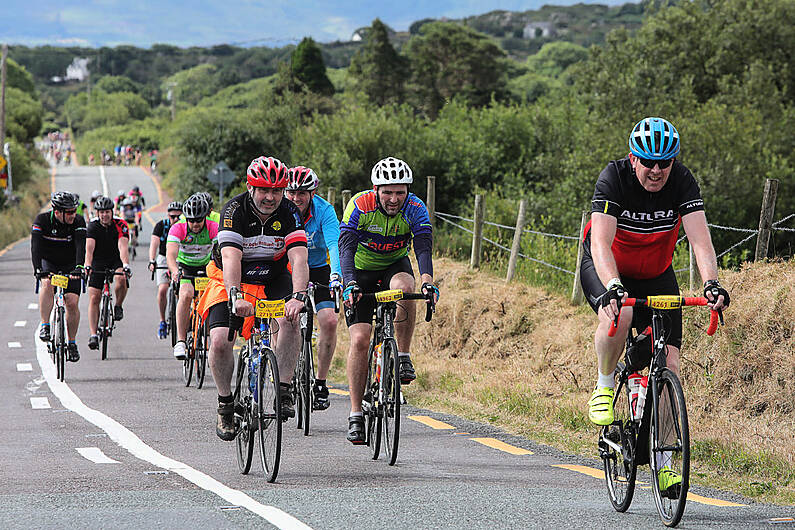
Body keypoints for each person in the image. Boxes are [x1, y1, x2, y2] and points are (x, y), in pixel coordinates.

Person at [580, 117, 730, 493]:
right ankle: (604, 381)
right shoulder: (613, 178)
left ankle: (664, 461)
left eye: (665, 162)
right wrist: (612, 286)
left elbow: (700, 240)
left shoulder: (681, 181)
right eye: (649, 162)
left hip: (657, 274)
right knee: (623, 310)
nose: (657, 171)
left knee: (670, 367)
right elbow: (600, 242)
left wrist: (711, 283)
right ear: (634, 159)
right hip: (608, 267)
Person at [198, 156, 309, 441]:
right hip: (233, 277)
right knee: (221, 340)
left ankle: (284, 389)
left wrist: (298, 296)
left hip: (272, 275)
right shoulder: (234, 210)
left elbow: (298, 258)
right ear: (250, 187)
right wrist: (235, 296)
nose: (270, 197)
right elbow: (231, 258)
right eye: (263, 190)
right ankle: (225, 405)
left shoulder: (289, 212)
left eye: (276, 190)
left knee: (290, 320)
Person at [340, 156, 439, 444]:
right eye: (388, 192)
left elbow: (422, 245)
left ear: (407, 191)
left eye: (400, 192)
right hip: (359, 271)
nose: (394, 199)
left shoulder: (416, 207)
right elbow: (345, 247)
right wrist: (349, 284)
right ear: (375, 190)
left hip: (394, 265)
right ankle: (356, 413)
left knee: (406, 287)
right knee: (360, 340)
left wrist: (428, 281)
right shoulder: (360, 205)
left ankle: (403, 356)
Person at [285, 165, 343, 411]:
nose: (296, 198)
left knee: (329, 320)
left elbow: (334, 244)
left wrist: (337, 275)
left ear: (312, 193)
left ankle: (320, 382)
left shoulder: (324, 210)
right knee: (288, 321)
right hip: (288, 268)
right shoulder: (282, 210)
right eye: (292, 192)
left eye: (302, 193)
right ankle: (284, 381)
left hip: (319, 268)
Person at [31, 192, 87, 362]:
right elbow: (35, 247)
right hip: (50, 263)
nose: (73, 215)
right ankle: (45, 325)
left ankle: (71, 343)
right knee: (47, 284)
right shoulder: (42, 221)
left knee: (71, 302)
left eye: (74, 211)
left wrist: (79, 268)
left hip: (70, 264)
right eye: (68, 212)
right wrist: (38, 269)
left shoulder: (78, 221)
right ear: (57, 211)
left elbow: (80, 246)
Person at [166, 194, 218, 360]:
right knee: (186, 294)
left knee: (210, 300)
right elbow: (171, 255)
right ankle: (181, 341)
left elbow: (222, 252)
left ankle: (209, 340)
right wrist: (174, 270)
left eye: (199, 220)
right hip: (185, 266)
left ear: (205, 217)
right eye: (191, 220)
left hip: (206, 266)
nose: (195, 224)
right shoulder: (178, 228)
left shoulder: (213, 227)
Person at [84, 196, 132, 351]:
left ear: (112, 212)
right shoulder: (93, 226)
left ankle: (118, 305)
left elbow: (122, 246)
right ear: (97, 213)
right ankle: (93, 335)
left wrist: (125, 265)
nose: (104, 215)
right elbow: (89, 248)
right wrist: (87, 265)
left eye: (107, 212)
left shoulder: (121, 224)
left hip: (115, 259)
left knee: (121, 279)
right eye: (101, 212)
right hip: (98, 260)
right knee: (94, 297)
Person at [149, 201, 183, 339]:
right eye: (172, 216)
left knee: (183, 290)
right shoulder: (161, 226)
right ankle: (162, 320)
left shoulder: (186, 227)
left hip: (181, 257)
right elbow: (154, 244)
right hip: (164, 257)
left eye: (178, 217)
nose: (175, 220)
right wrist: (152, 260)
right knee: (163, 289)